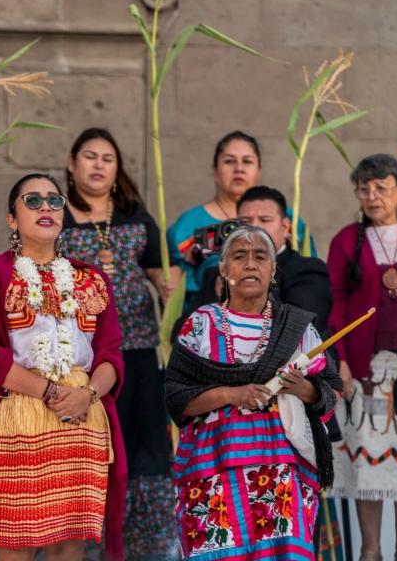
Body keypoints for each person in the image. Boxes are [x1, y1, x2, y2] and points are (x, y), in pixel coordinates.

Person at [0, 172, 126, 561]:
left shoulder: (92, 278)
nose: (46, 208)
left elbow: (111, 355)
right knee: (16, 541)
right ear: (11, 219)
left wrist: (85, 394)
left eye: (54, 201)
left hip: (83, 416)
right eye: (32, 201)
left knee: (70, 543)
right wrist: (52, 393)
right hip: (18, 414)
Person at [166, 225, 341, 560]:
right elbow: (177, 397)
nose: (250, 264)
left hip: (281, 472)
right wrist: (233, 395)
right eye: (239, 256)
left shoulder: (297, 328)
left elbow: (330, 391)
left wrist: (304, 389)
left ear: (273, 270)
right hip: (213, 469)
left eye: (260, 257)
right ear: (223, 269)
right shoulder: (201, 323)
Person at [60, 127, 178, 558]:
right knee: (92, 443)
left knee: (144, 443)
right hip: (80, 357)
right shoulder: (57, 215)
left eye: (107, 159)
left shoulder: (135, 214)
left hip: (140, 349)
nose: (98, 165)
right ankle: (88, 541)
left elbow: (166, 270)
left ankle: (148, 544)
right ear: (72, 164)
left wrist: (169, 286)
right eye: (89, 156)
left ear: (117, 169)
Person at [327, 154, 397, 560]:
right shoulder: (345, 241)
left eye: (381, 187)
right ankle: (370, 551)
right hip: (364, 370)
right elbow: (336, 305)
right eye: (364, 188)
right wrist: (339, 359)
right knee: (369, 462)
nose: (372, 196)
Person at [167, 131, 315, 313]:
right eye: (229, 161)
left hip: (276, 322)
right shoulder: (187, 226)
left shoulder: (288, 219)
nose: (239, 168)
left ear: (259, 169)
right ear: (214, 170)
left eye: (247, 161)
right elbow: (176, 290)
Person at [237, 186, 331, 335]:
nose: (254, 227)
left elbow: (300, 330)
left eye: (264, 220)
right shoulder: (217, 274)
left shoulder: (307, 270)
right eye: (245, 221)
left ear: (286, 227)